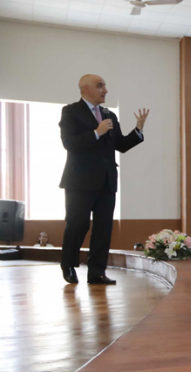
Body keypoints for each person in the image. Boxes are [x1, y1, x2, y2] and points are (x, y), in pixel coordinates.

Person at [59, 74, 149, 285]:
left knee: (103, 228)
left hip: (107, 181)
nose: (105, 90)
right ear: (85, 89)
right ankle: (69, 266)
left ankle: (97, 272)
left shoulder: (109, 114)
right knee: (77, 225)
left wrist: (138, 129)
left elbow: (121, 145)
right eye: (100, 86)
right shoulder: (71, 112)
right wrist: (96, 133)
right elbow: (69, 143)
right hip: (79, 181)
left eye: (105, 85)